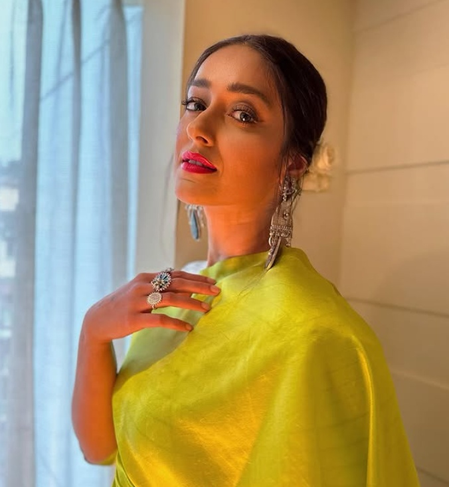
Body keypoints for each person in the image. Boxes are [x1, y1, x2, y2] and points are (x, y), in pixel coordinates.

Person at [72, 34, 421, 486]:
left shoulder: (314, 334)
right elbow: (101, 449)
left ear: (292, 161)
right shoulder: (175, 290)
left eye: (243, 114)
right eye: (196, 103)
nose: (199, 128)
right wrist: (93, 333)